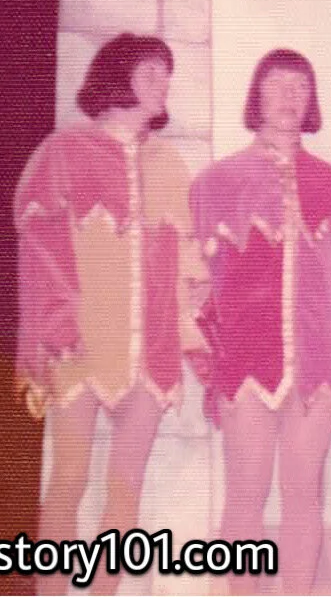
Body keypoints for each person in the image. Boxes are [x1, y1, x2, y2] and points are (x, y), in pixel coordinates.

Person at [14, 33, 196, 594]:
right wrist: (56, 323)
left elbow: (183, 265)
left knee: (125, 489)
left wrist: (190, 338)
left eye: (167, 75)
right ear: (117, 78)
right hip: (81, 340)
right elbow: (40, 244)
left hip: (150, 350)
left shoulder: (170, 164)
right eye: (150, 73)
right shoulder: (64, 150)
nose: (163, 84)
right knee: (68, 480)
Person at [189, 49, 331, 594]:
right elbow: (197, 289)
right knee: (246, 489)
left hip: (319, 364)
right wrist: (210, 361)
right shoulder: (215, 182)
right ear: (256, 96)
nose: (290, 96)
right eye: (278, 85)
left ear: (311, 101)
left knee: (303, 489)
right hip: (245, 362)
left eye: (301, 87)